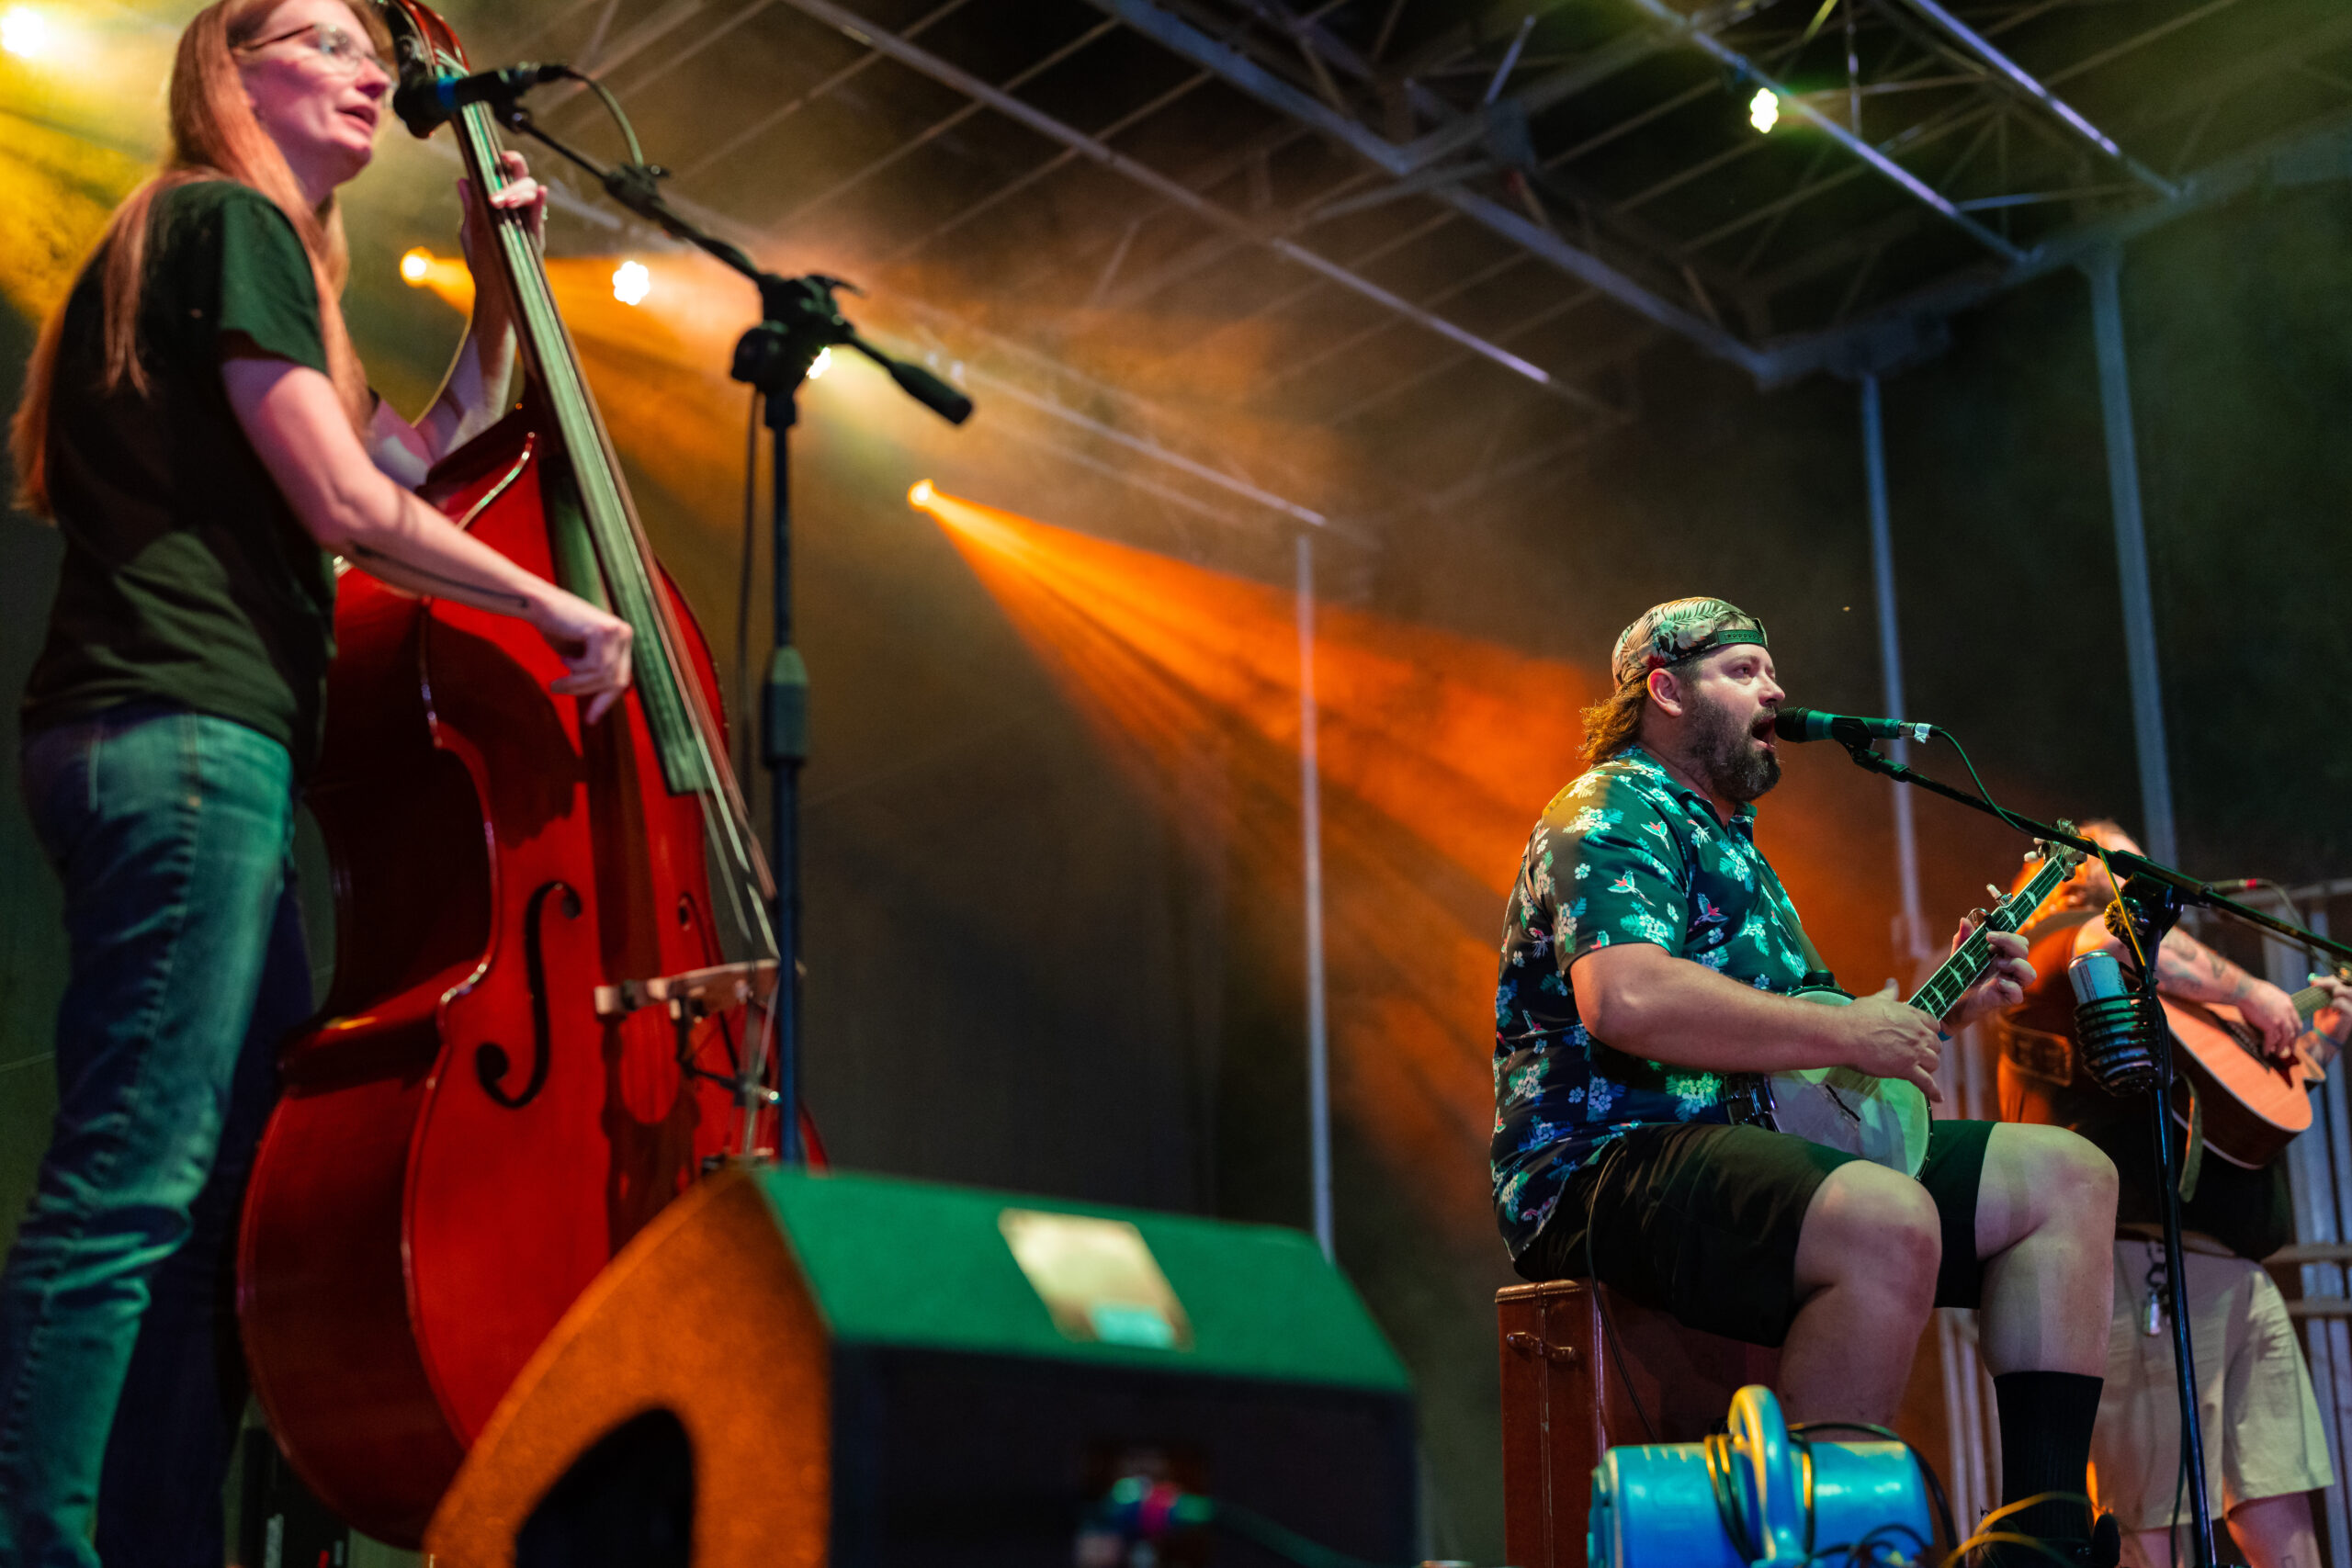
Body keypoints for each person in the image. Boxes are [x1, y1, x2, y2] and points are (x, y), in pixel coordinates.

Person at [0, 0, 635, 1561]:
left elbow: (419, 462)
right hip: (186, 738)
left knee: (220, 1212)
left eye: (371, 47)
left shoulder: (249, 257)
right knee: (136, 1182)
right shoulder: (222, 218)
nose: (366, 68)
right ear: (233, 74)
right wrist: (550, 605)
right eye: (321, 41)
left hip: (201, 755)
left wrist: (501, 292)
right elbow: (352, 508)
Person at [1494, 597, 2121, 1567]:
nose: (1776, 689)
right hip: (1609, 1158)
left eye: (1772, 670)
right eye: (1743, 670)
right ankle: (1824, 1543)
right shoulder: (1612, 804)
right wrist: (1853, 1029)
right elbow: (1623, 998)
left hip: (1751, 1144)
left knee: (2067, 1176)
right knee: (1881, 1216)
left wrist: (1933, 1015)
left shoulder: (1735, 843)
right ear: (1664, 692)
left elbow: (1813, 1049)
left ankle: (2038, 1539)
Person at [1994, 821, 2352, 1568]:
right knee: (2148, 1525)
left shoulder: (2159, 992)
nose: (2135, 872)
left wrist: (2314, 1038)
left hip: (2235, 1275)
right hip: (2137, 1273)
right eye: (2115, 858)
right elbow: (2110, 935)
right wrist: (2255, 990)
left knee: (2279, 1504)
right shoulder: (2058, 948)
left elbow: (2238, 1107)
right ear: (2070, 875)